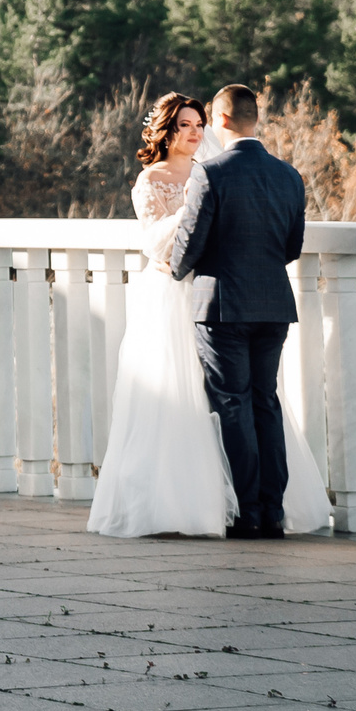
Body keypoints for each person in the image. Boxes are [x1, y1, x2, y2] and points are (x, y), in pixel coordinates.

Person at [172, 83, 329, 538]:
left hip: (222, 306)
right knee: (265, 401)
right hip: (273, 305)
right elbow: (291, 247)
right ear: (254, 119)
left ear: (219, 121)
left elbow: (190, 243)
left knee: (232, 405)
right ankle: (272, 510)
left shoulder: (211, 173)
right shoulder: (289, 176)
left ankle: (247, 512)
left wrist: (176, 269)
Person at [85, 92, 237, 538]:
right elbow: (155, 243)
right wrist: (191, 200)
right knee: (170, 391)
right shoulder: (151, 179)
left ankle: (227, 495)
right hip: (167, 292)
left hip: (211, 290)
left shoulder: (214, 171)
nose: (193, 132)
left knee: (216, 390)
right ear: (166, 130)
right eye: (184, 125)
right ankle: (165, 502)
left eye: (198, 124)